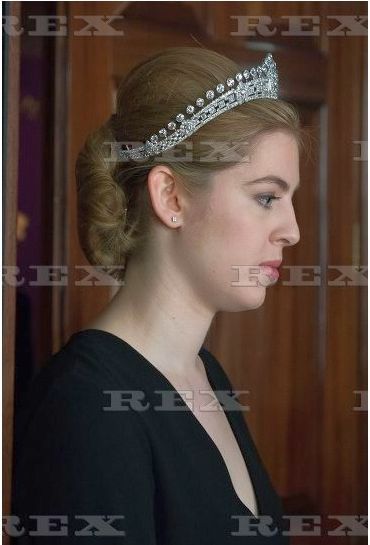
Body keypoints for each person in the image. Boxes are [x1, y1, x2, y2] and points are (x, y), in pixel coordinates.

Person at [11, 47, 305, 544]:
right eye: (266, 198)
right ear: (170, 197)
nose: (292, 230)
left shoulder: (206, 374)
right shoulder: (87, 408)